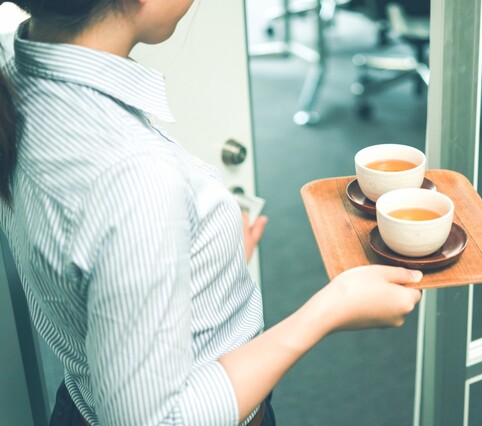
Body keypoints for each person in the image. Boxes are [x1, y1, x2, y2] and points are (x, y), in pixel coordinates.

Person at [0, 0, 423, 424]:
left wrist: (201, 266)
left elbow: (84, 254)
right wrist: (329, 310)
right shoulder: (133, 177)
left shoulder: (16, 65)